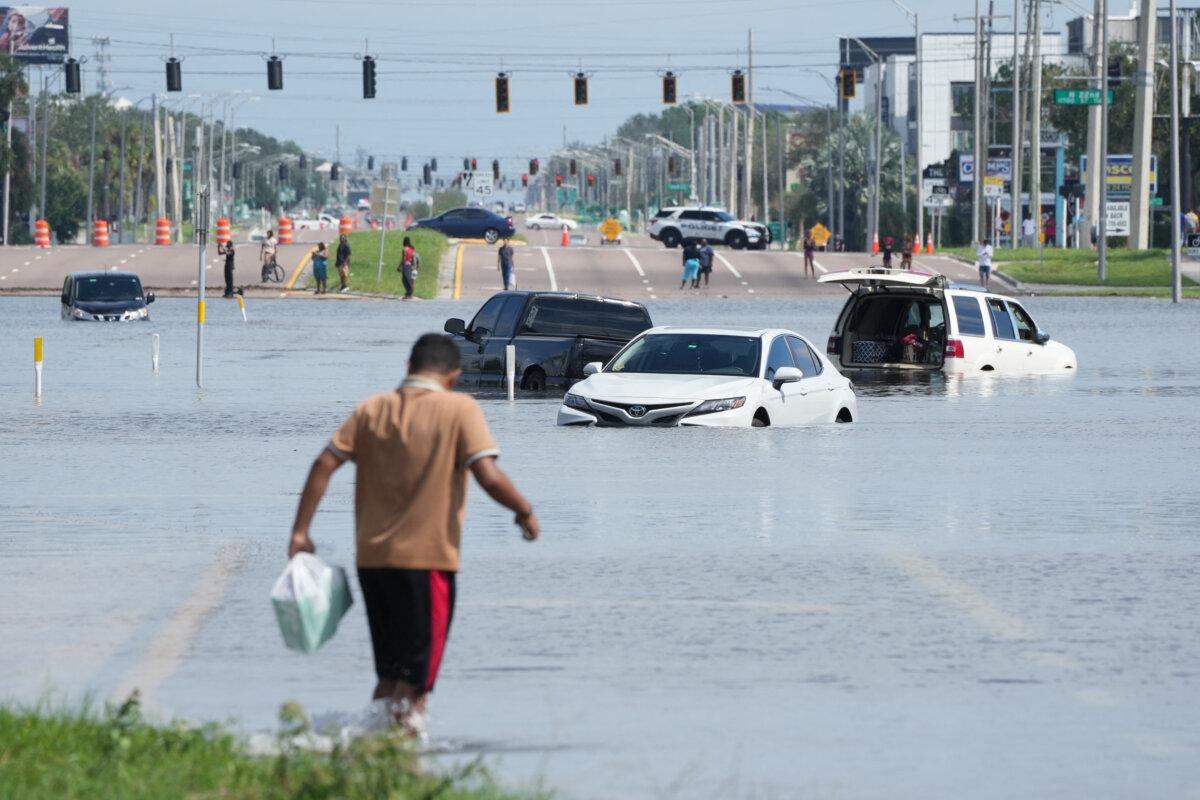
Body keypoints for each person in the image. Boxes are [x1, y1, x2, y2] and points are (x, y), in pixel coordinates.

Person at [287, 333, 540, 738]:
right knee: (418, 682)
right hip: (428, 564)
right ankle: (403, 764)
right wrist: (524, 512)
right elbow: (488, 476)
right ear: (454, 377)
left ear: (407, 367)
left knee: (390, 676)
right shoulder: (460, 409)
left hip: (373, 563)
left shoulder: (372, 409)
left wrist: (300, 532)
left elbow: (323, 462)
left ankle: (368, 751)